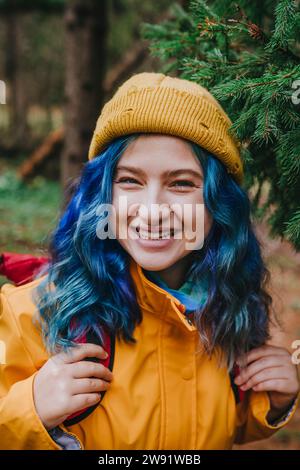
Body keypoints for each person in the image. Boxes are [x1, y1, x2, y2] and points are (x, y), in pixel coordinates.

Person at [0, 72, 299, 450]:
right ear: (101, 195)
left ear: (218, 205)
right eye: (129, 181)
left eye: (181, 184)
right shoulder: (29, 315)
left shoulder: (226, 306)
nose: (153, 210)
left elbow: (223, 425)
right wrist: (28, 411)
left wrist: (272, 403)